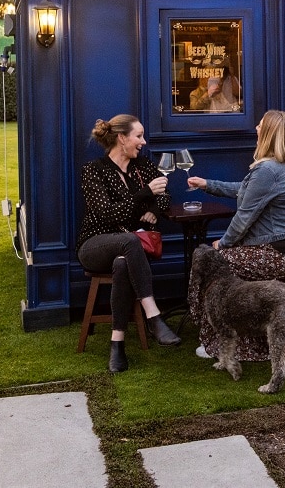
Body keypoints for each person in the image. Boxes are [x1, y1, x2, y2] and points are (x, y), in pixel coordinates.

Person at [186, 109, 285, 360]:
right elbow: (245, 191)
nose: (256, 128)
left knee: (211, 265)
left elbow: (243, 217)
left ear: (270, 133)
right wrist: (207, 184)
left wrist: (224, 244)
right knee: (217, 262)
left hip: (275, 253)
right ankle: (235, 339)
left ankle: (223, 342)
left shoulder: (268, 170)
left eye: (260, 125)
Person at [78, 114, 181, 373]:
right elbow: (107, 214)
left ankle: (117, 345)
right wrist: (145, 194)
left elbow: (166, 196)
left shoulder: (142, 167)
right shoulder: (94, 171)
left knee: (124, 262)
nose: (143, 142)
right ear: (122, 139)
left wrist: (155, 210)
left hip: (128, 249)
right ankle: (154, 316)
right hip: (95, 244)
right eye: (138, 136)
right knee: (128, 241)